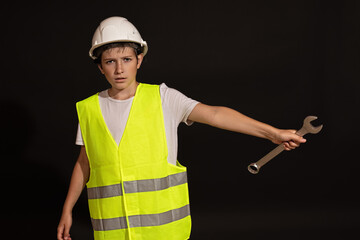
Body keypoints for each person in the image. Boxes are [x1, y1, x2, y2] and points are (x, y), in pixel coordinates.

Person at [57, 16, 306, 240]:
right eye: (110, 61)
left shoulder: (164, 98)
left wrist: (273, 133)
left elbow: (216, 114)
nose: (119, 69)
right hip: (113, 235)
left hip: (164, 233)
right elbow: (84, 163)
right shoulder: (89, 109)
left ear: (139, 60)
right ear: (100, 66)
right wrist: (67, 210)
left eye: (126, 59)